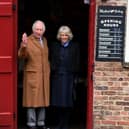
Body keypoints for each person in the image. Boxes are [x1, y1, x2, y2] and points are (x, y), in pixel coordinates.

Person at [18, 20, 50, 129]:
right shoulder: (28, 41)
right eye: (37, 29)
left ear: (43, 31)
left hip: (44, 76)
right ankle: (31, 124)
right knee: (31, 101)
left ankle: (41, 123)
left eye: (41, 29)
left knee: (42, 100)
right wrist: (23, 45)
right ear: (33, 30)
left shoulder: (44, 40)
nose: (39, 31)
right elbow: (22, 56)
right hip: (33, 75)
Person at [49, 25, 80, 129]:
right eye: (62, 35)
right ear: (59, 36)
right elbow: (51, 59)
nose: (64, 37)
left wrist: (75, 74)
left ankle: (65, 123)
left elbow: (77, 61)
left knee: (67, 102)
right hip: (57, 77)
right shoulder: (54, 45)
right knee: (57, 102)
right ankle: (59, 123)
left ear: (69, 35)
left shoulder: (75, 46)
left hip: (69, 77)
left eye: (66, 35)